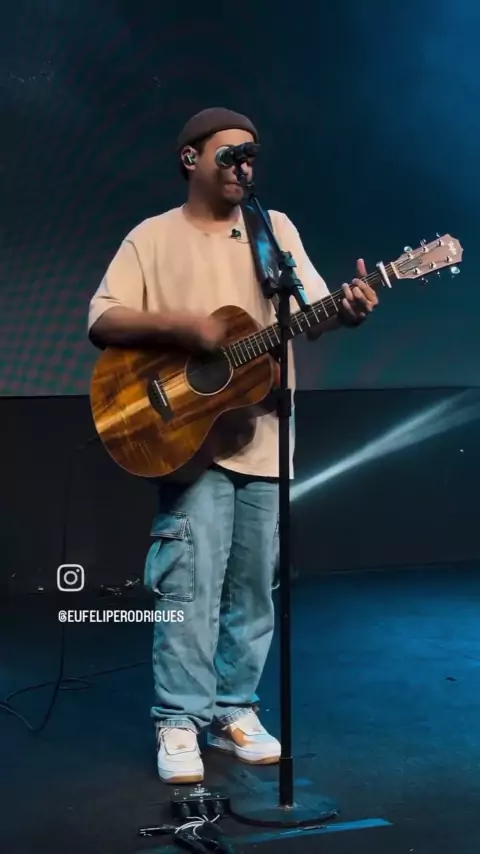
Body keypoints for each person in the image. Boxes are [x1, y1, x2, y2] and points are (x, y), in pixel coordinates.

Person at [87, 107, 379, 784]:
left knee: (255, 587)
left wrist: (348, 310)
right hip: (189, 438)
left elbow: (312, 312)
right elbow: (103, 317)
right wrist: (188, 329)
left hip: (267, 436)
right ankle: (178, 718)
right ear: (191, 159)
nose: (244, 166)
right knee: (189, 584)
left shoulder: (274, 231)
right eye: (229, 154)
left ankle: (234, 709)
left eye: (251, 155)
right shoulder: (152, 237)